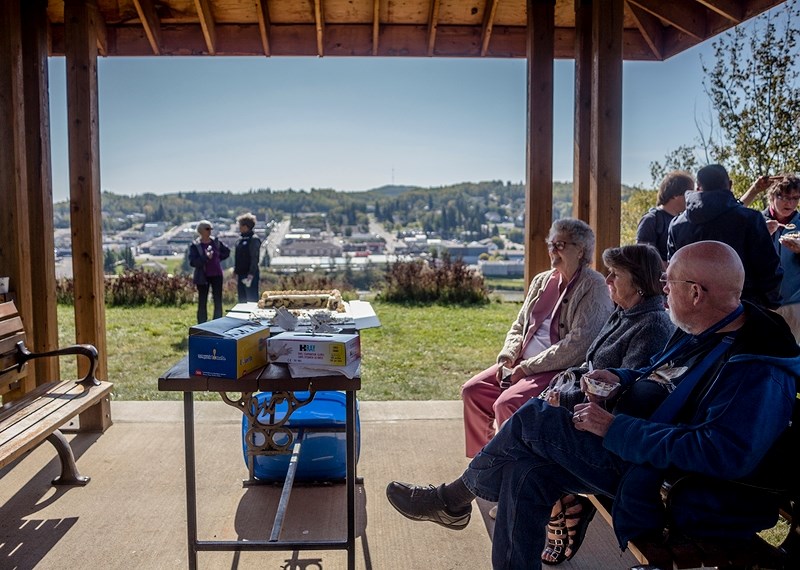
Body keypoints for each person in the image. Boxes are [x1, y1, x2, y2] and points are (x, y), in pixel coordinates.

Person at [386, 241, 800, 570]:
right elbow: (659, 374)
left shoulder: (757, 369)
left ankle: (454, 499)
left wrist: (612, 428)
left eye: (669, 282)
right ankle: (456, 502)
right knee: (524, 471)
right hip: (641, 455)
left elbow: (720, 453)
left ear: (696, 292)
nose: (663, 288)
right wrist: (619, 378)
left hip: (672, 484)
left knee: (536, 420)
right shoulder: (708, 327)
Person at [538, 243, 675, 564]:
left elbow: (623, 396)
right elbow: (592, 366)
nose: (607, 279)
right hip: (590, 413)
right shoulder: (625, 312)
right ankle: (561, 506)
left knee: (536, 437)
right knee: (533, 426)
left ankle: (562, 509)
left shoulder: (652, 324)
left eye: (616, 274)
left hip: (613, 435)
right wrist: (561, 387)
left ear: (639, 282)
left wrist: (566, 398)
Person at [461, 218, 613, 458]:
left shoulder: (594, 287)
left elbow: (577, 347)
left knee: (506, 404)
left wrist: (527, 368)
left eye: (560, 244)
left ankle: (511, 470)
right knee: (473, 391)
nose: (552, 249)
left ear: (580, 250)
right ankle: (483, 464)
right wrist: (507, 357)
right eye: (550, 243)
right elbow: (520, 324)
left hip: (555, 370)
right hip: (521, 363)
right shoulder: (542, 280)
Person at [667, 164, 783, 309]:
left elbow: (674, 274)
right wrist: (767, 305)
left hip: (694, 313)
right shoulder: (750, 219)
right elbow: (769, 269)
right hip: (742, 312)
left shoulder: (677, 225)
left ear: (698, 187)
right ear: (729, 185)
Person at [739, 174, 800, 343]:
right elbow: (739, 259)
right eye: (785, 197)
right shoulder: (755, 221)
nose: (790, 203)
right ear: (772, 196)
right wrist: (760, 236)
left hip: (795, 303)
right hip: (761, 304)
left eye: (795, 198)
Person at [636, 170, 693, 264]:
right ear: (675, 194)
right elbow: (643, 258)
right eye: (688, 193)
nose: (691, 197)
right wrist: (672, 270)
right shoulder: (651, 220)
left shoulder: (683, 222)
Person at [187, 220, 230, 323]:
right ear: (201, 231)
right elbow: (193, 262)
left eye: (211, 229)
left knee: (218, 300)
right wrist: (205, 258)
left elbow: (227, 252)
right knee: (202, 301)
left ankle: (218, 322)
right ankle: (202, 324)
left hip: (217, 275)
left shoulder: (216, 242)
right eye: (207, 229)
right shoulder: (195, 245)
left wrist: (218, 258)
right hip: (203, 276)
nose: (210, 231)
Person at [233, 212, 262, 302]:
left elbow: (254, 257)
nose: (239, 227)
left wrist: (251, 273)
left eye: (240, 225)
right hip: (241, 273)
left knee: (251, 299)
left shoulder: (254, 239)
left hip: (250, 274)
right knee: (242, 299)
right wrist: (235, 271)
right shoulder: (240, 240)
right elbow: (238, 257)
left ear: (246, 226)